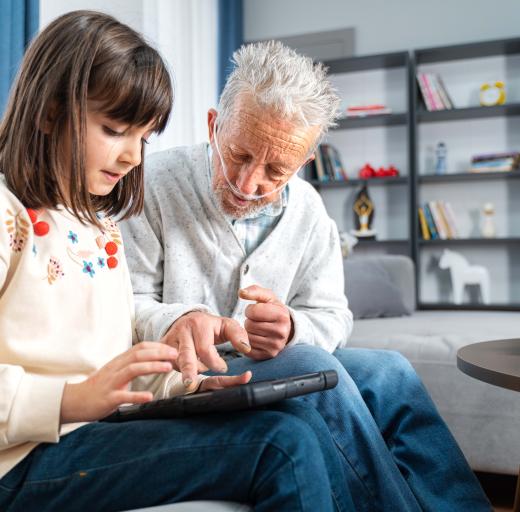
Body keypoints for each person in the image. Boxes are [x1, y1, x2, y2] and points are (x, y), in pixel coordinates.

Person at [0, 12, 354, 512]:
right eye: (114, 129)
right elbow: (88, 385)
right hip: (20, 460)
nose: (132, 158)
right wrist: (72, 400)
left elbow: (115, 360)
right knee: (281, 446)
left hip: (91, 431)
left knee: (294, 423)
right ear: (49, 113)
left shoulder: (96, 222)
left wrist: (194, 384)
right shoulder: (6, 215)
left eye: (143, 138)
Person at [122, 41, 492, 511]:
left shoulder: (310, 210)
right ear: (215, 125)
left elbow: (333, 315)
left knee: (390, 371)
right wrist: (181, 317)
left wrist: (293, 327)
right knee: (313, 367)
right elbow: (123, 300)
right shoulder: (151, 182)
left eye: (276, 170)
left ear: (303, 162)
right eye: (238, 154)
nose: (248, 182)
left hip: (259, 367)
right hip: (187, 380)